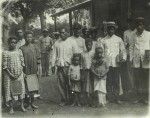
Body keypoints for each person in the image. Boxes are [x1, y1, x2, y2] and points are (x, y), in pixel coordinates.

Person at [51, 28, 78, 106]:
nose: (62, 34)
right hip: (60, 67)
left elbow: (76, 54)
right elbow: (54, 55)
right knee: (61, 84)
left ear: (67, 33)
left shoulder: (72, 42)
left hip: (69, 66)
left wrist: (75, 66)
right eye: (61, 33)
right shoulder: (56, 43)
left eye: (63, 32)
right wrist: (53, 65)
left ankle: (71, 100)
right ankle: (64, 100)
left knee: (70, 84)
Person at [101, 21, 126, 104]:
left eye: (112, 29)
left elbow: (123, 50)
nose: (111, 30)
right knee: (108, 81)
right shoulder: (103, 40)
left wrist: (123, 58)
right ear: (107, 30)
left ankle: (116, 97)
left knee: (116, 81)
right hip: (107, 64)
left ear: (114, 30)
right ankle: (108, 98)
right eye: (109, 29)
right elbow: (101, 52)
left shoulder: (119, 39)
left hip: (116, 64)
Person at [2, 36, 26, 114]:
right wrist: (11, 74)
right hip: (9, 75)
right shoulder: (5, 52)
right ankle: (11, 108)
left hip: (19, 74)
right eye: (11, 42)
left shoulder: (19, 51)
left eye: (15, 42)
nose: (13, 44)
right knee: (10, 91)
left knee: (21, 90)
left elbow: (22, 63)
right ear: (9, 43)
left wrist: (19, 73)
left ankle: (22, 106)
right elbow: (4, 66)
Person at [130, 17, 150, 104]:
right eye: (137, 25)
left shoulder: (148, 34)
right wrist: (131, 58)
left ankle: (146, 98)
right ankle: (138, 97)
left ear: (144, 25)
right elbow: (131, 47)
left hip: (146, 59)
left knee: (145, 79)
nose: (139, 27)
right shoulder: (133, 35)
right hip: (137, 59)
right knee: (137, 79)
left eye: (141, 25)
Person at [21, 31, 41, 109]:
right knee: (27, 87)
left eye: (30, 37)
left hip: (34, 70)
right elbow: (21, 60)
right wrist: (23, 71)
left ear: (32, 38)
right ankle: (28, 103)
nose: (29, 38)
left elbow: (38, 59)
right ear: (25, 38)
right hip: (26, 70)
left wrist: (38, 69)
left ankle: (32, 103)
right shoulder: (21, 48)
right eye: (27, 37)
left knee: (33, 87)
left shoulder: (35, 47)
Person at [122, 18, 135, 96]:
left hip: (136, 54)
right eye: (129, 23)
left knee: (136, 72)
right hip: (128, 54)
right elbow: (125, 44)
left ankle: (136, 88)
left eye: (132, 23)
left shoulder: (137, 32)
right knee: (129, 72)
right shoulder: (126, 32)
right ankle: (131, 88)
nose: (130, 25)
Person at [81, 38, 94, 106]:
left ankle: (92, 101)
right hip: (85, 71)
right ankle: (86, 101)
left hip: (92, 71)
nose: (88, 46)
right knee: (86, 86)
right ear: (85, 45)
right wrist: (82, 71)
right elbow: (82, 64)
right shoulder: (83, 53)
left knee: (92, 86)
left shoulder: (94, 53)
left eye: (89, 45)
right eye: (87, 45)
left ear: (92, 45)